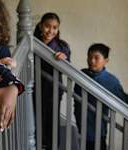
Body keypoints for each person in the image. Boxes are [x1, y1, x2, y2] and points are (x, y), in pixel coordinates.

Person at [73, 43, 128, 150]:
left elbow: (127, 101)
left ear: (106, 61)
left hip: (98, 130)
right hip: (81, 126)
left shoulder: (111, 81)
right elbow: (76, 100)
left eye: (96, 58)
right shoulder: (81, 74)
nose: (91, 61)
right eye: (89, 57)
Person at [34, 12, 72, 149]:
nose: (50, 30)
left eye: (55, 27)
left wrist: (64, 59)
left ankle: (52, 146)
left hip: (53, 89)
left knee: (52, 120)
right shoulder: (32, 41)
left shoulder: (62, 46)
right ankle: (38, 144)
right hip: (34, 87)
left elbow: (68, 68)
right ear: (40, 26)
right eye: (47, 26)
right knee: (36, 118)